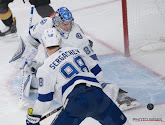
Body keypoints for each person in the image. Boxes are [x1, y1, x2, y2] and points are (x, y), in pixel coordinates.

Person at [10, 7, 139, 111]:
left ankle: (117, 94)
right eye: (64, 24)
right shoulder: (45, 24)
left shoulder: (77, 35)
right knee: (46, 79)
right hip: (53, 64)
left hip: (71, 68)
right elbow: (31, 38)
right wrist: (25, 54)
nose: (68, 26)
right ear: (55, 22)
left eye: (70, 23)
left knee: (84, 86)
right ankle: (32, 76)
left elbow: (90, 58)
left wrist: (93, 78)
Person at [26, 28, 130, 125]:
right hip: (98, 96)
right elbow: (97, 71)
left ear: (44, 45)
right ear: (60, 41)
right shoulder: (76, 50)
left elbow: (45, 101)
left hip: (75, 103)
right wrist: (92, 92)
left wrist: (34, 116)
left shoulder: (45, 68)